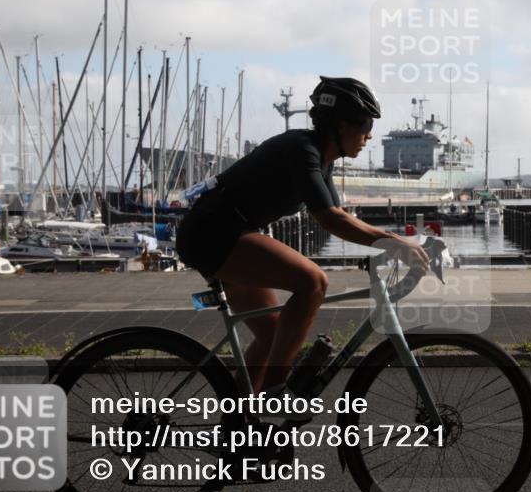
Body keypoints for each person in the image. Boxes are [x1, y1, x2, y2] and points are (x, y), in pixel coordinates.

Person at [175, 76, 429, 394]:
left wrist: (391, 244)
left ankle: (241, 425)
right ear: (340, 124)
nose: (369, 134)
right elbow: (329, 219)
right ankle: (276, 390)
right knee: (313, 282)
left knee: (272, 335)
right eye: (365, 124)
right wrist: (396, 244)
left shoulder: (323, 161)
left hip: (224, 232)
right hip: (213, 233)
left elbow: (337, 217)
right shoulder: (302, 149)